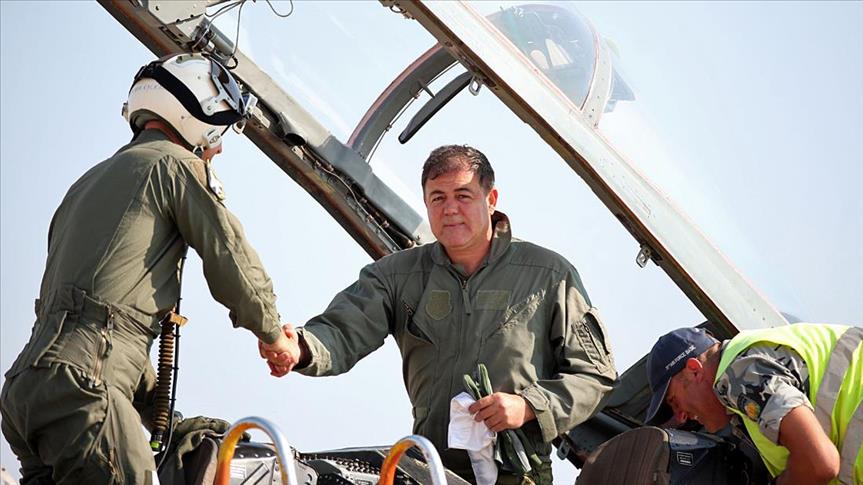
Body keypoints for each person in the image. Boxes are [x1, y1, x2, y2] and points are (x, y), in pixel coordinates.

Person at [1, 53, 294, 484]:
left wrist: (166, 420)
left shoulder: (88, 182)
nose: (218, 147)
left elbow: (102, 322)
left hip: (27, 391)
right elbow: (229, 256)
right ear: (194, 111)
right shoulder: (175, 165)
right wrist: (274, 335)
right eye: (219, 131)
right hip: (84, 390)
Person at [267, 145, 617, 484]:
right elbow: (344, 330)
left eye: (463, 195)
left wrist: (529, 406)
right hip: (429, 470)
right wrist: (300, 347)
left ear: (491, 199)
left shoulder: (548, 275)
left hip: (516, 474)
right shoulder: (396, 277)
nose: (450, 209)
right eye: (438, 198)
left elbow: (595, 375)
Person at [644, 324, 862, 485]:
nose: (680, 417)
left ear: (694, 370)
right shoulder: (752, 363)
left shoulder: (740, 374)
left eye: (674, 402)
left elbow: (820, 463)